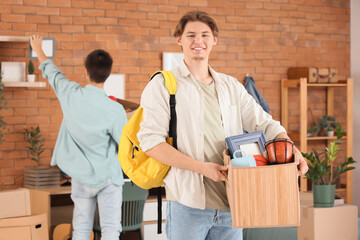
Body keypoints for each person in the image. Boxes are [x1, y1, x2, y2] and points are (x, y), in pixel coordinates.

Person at [137, 11, 308, 240]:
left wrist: (289, 146)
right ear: (179, 39)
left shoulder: (231, 86)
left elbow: (265, 122)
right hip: (188, 205)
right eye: (191, 35)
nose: (199, 41)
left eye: (205, 35)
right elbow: (151, 143)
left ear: (214, 40)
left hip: (233, 204)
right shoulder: (162, 85)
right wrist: (202, 167)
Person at [30, 35, 127, 240]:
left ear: (86, 71)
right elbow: (125, 145)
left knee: (81, 229)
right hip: (107, 176)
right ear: (108, 74)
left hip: (80, 177)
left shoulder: (70, 94)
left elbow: (53, 73)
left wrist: (38, 48)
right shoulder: (115, 110)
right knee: (111, 229)